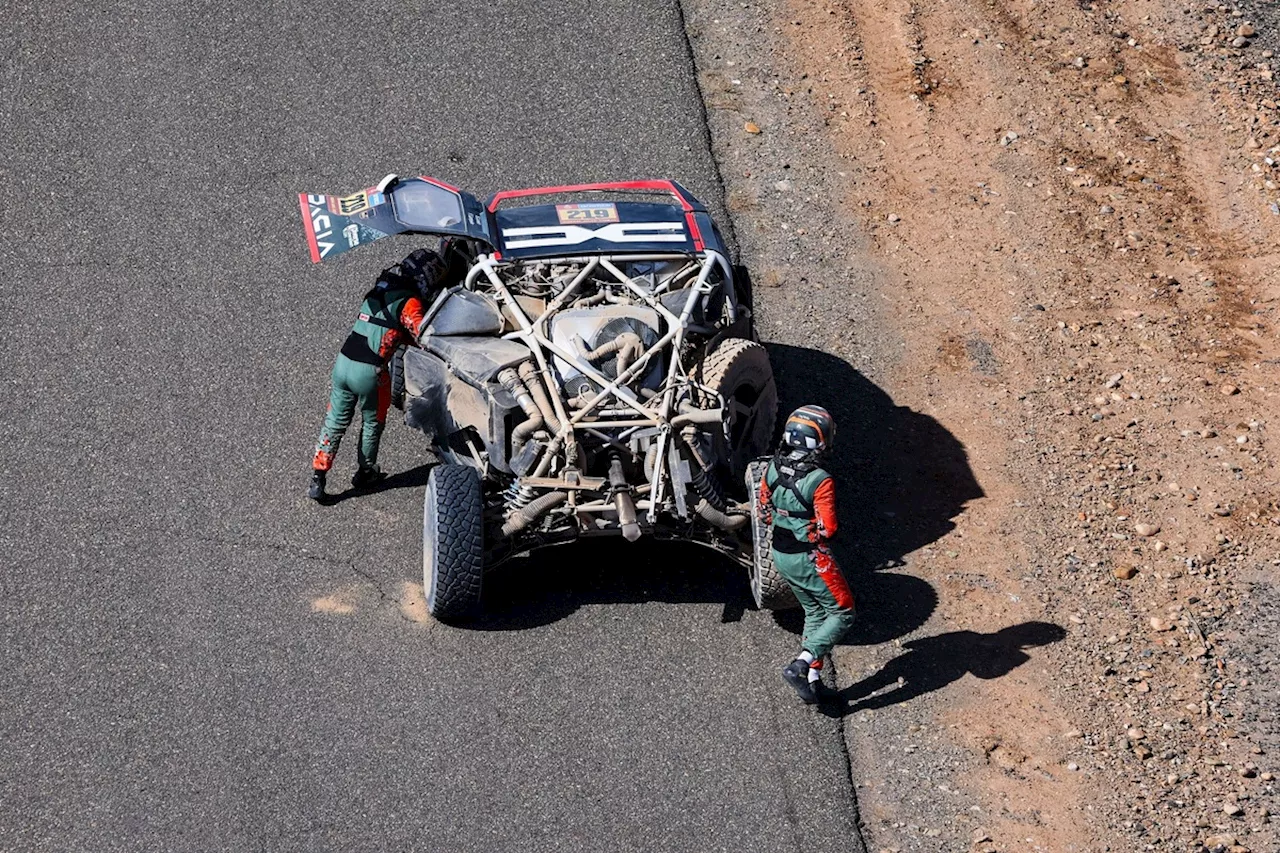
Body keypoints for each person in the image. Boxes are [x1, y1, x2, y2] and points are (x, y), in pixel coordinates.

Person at [308, 248, 449, 501]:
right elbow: (424, 336)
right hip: (370, 372)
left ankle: (318, 476)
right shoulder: (410, 302)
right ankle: (366, 472)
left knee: (335, 420)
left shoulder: (379, 288)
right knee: (372, 422)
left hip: (343, 362)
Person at [757, 405, 857, 704]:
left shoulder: (772, 468)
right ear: (820, 440)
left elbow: (764, 511)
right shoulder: (821, 479)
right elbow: (828, 528)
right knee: (843, 612)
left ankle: (812, 680)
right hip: (810, 558)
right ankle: (801, 664)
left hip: (780, 554)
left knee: (814, 612)